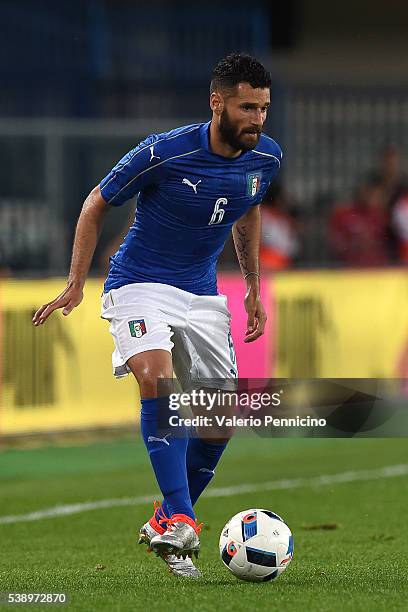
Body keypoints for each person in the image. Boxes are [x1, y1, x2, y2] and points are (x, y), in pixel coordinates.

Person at [32, 53, 282, 578]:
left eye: (263, 108)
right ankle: (185, 517)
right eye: (246, 107)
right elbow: (96, 201)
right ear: (217, 103)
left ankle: (166, 520)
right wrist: (76, 282)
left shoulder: (265, 159)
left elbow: (248, 207)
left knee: (219, 424)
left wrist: (253, 288)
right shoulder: (164, 152)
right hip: (140, 284)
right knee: (155, 376)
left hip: (202, 294)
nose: (257, 119)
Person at [329, 179, 389, 267]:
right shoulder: (343, 214)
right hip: (351, 267)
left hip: (377, 268)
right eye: (364, 193)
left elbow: (387, 240)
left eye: (370, 194)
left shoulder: (379, 215)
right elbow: (335, 241)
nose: (367, 197)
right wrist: (353, 244)